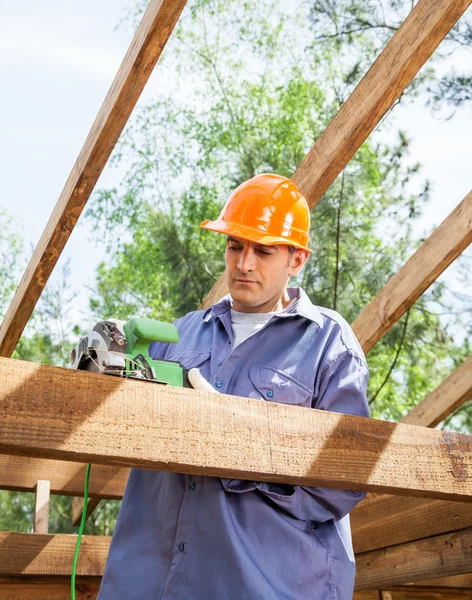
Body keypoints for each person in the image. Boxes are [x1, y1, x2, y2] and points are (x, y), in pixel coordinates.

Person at [98, 173, 369, 600]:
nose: (243, 264)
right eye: (234, 246)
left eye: (263, 251)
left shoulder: (329, 346)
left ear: (296, 259)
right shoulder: (178, 336)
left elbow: (343, 482)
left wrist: (230, 438)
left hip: (265, 586)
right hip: (149, 584)